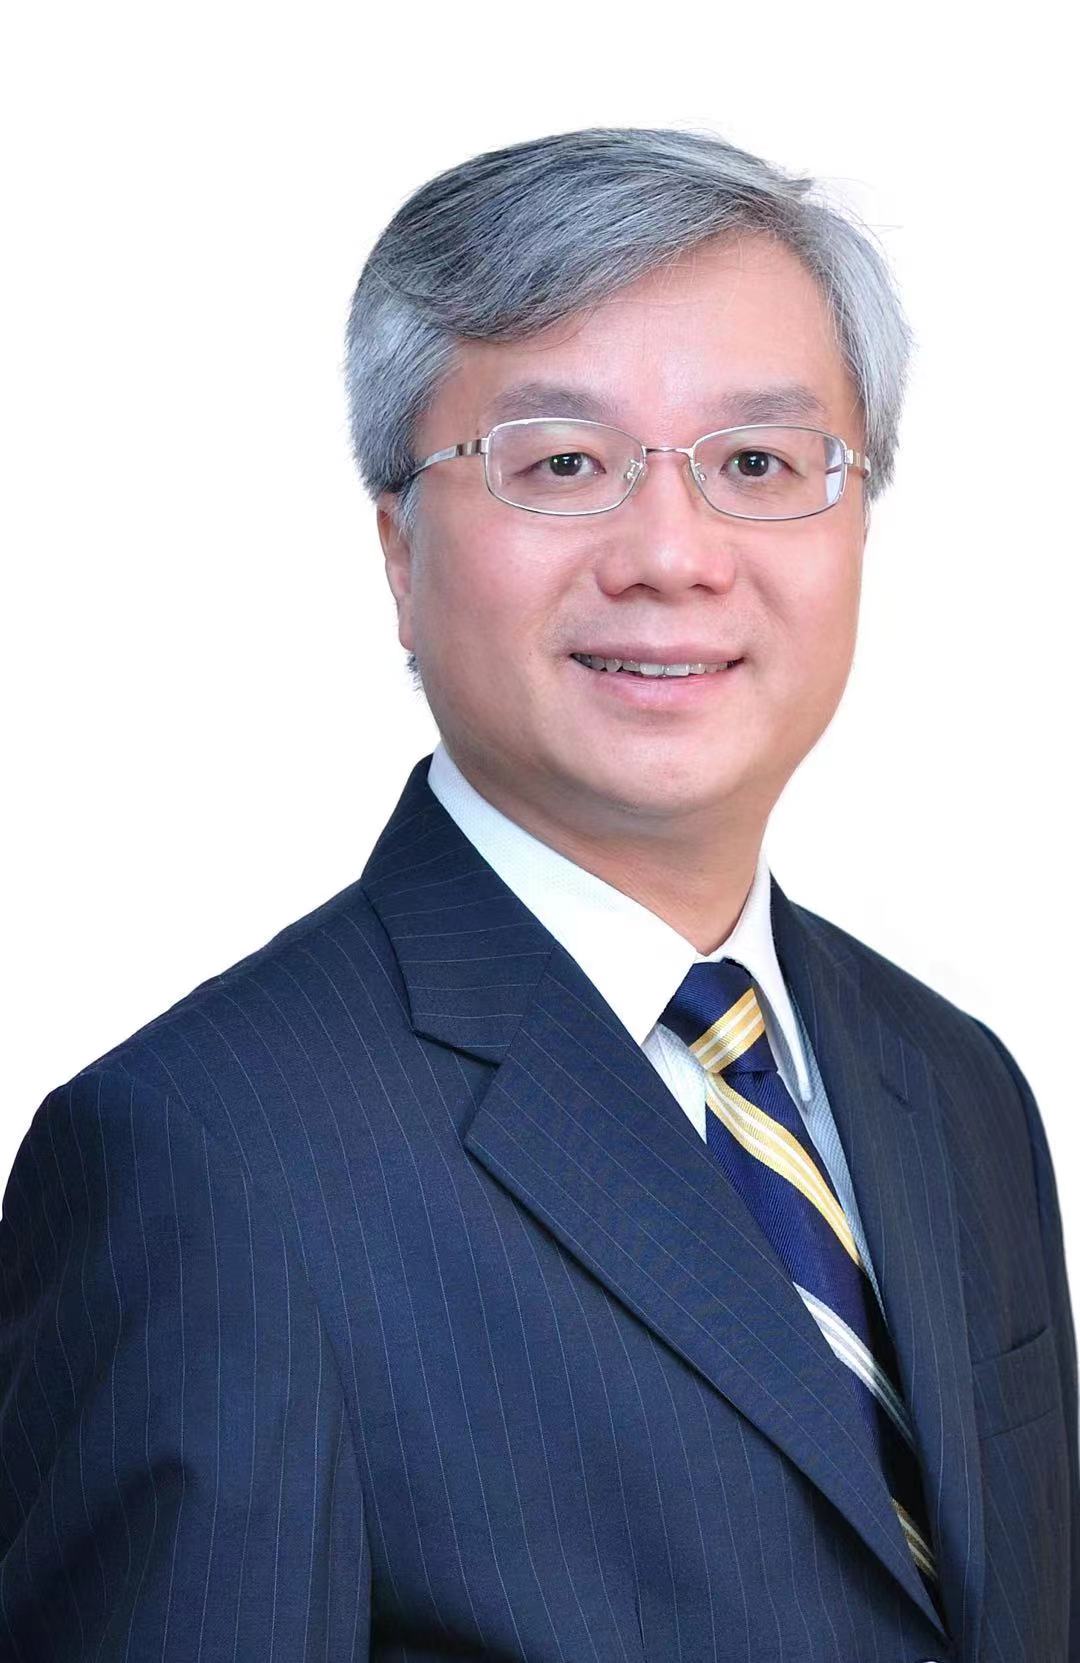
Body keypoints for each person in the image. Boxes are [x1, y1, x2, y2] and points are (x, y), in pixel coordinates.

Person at [1, 125, 1075, 1662]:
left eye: (758, 464)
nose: (672, 555)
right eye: (563, 463)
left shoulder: (957, 1086)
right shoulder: (205, 1164)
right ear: (399, 551)